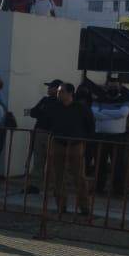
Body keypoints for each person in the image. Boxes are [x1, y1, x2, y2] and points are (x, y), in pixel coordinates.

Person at [47, 83, 94, 216]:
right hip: (58, 143)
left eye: (61, 92)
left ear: (69, 93)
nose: (58, 94)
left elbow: (90, 125)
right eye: (58, 92)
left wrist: (87, 142)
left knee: (79, 177)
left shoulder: (82, 108)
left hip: (75, 145)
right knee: (59, 177)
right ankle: (61, 206)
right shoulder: (55, 107)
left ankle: (84, 207)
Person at [92, 76, 129, 197]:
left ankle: (118, 190)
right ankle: (99, 188)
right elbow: (94, 114)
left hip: (118, 138)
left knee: (118, 165)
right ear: (106, 86)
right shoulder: (99, 99)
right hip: (101, 136)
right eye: (110, 85)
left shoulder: (126, 99)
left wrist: (104, 111)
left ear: (120, 87)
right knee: (100, 164)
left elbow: (123, 113)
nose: (112, 88)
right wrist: (114, 114)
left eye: (115, 86)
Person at [25, 80, 63, 193]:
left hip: (53, 134)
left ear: (57, 89)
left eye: (51, 87)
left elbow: (47, 115)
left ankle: (52, 187)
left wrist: (41, 112)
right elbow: (32, 112)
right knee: (38, 160)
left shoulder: (60, 102)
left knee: (53, 162)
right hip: (40, 132)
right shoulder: (45, 100)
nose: (48, 89)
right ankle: (35, 185)